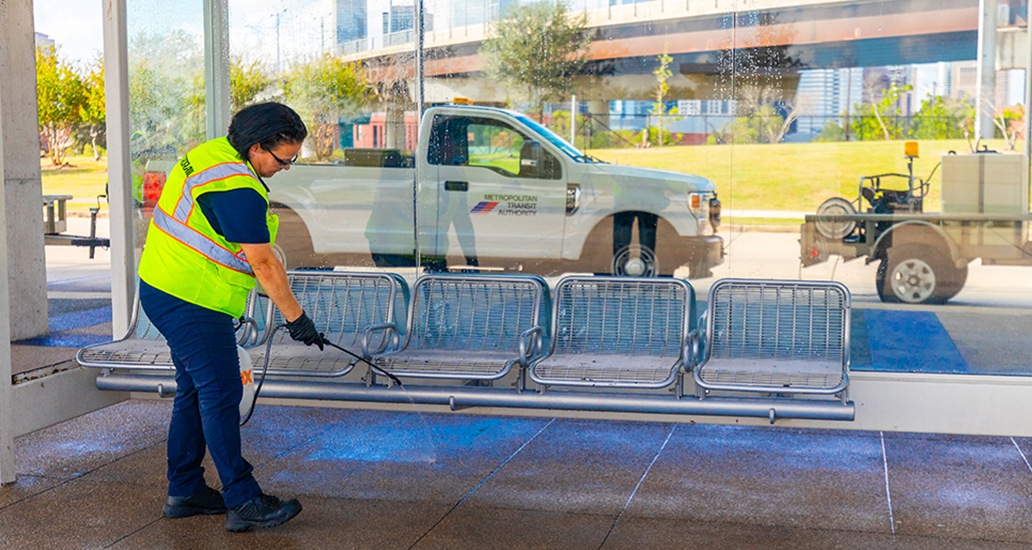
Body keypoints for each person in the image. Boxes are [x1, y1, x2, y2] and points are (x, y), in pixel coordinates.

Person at [138, 102, 325, 532]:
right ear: (256, 146)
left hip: (169, 287)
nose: (286, 167)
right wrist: (297, 319)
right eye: (284, 159)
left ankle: (184, 490)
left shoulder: (214, 153)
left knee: (196, 389)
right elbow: (264, 264)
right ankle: (243, 500)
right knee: (221, 392)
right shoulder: (237, 188)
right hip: (190, 298)